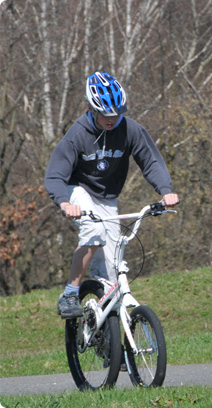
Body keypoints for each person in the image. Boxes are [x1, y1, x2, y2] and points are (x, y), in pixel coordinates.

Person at [45, 72, 180, 319]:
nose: (112, 119)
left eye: (116, 112)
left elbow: (151, 162)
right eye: (105, 114)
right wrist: (64, 202)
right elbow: (55, 175)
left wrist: (165, 191)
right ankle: (70, 292)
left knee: (113, 266)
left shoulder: (131, 130)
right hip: (77, 190)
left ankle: (110, 333)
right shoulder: (77, 134)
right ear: (90, 107)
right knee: (93, 232)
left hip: (108, 198)